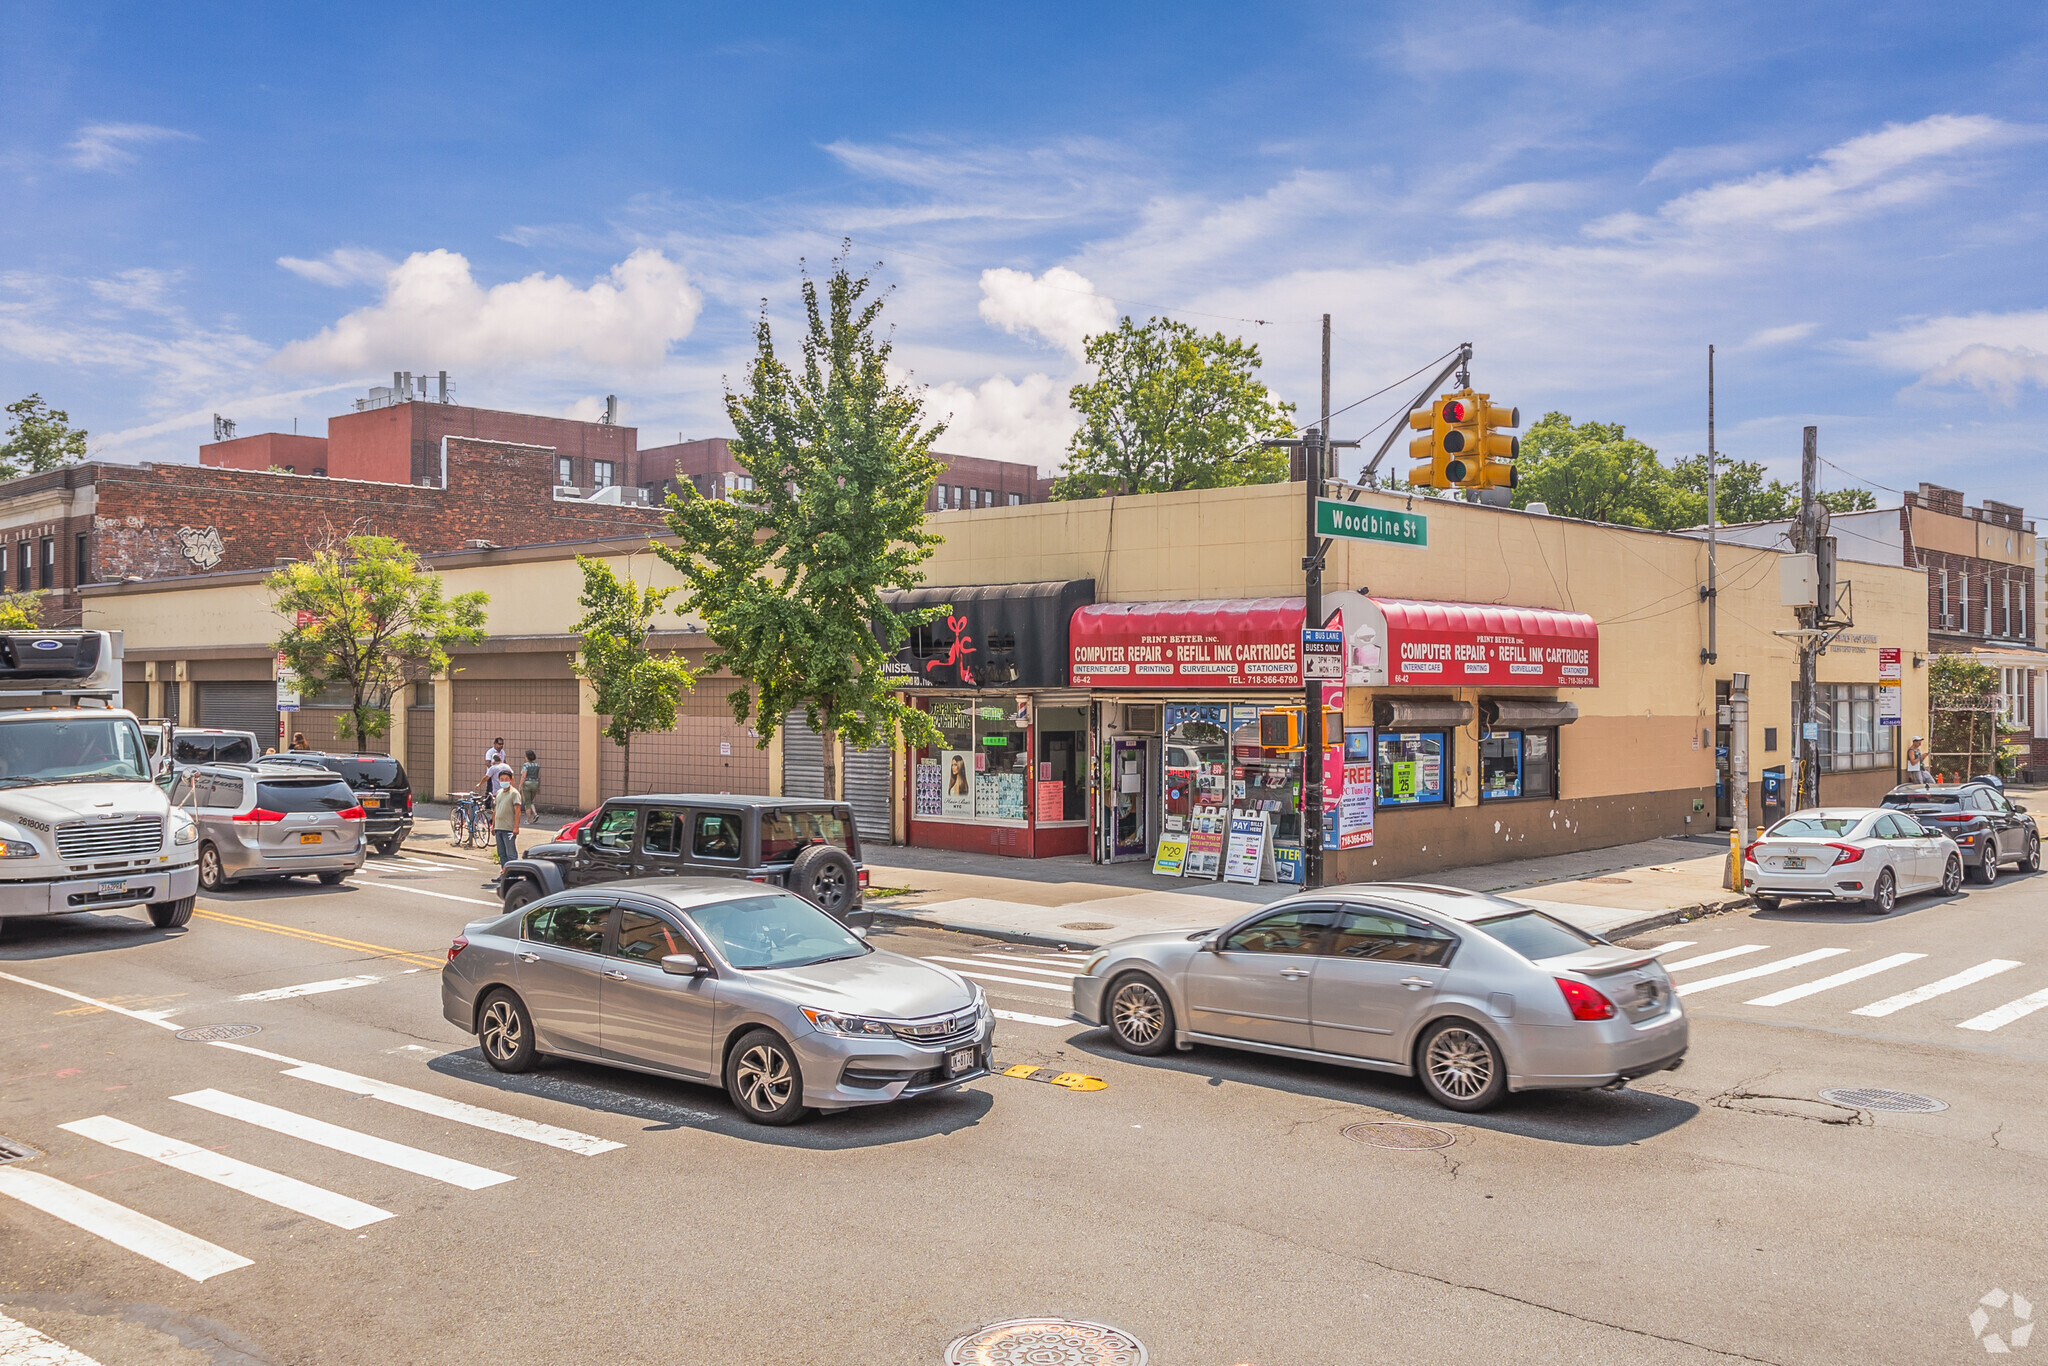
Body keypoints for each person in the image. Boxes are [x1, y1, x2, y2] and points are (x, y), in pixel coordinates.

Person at [492, 777, 522, 866]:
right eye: (501, 779)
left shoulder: (514, 793)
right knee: (502, 853)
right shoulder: (499, 792)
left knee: (511, 854)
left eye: (506, 779)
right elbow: (496, 809)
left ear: (511, 780)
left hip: (508, 828)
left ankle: (513, 874)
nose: (504, 781)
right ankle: (504, 874)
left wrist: (516, 827)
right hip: (498, 827)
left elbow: (518, 811)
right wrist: (493, 825)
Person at [519, 750, 540, 827]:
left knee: (527, 802)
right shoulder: (537, 765)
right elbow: (539, 776)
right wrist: (539, 786)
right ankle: (535, 814)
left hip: (527, 784)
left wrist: (520, 786)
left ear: (527, 757)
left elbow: (523, 776)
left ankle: (528, 820)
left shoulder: (526, 765)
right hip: (535, 783)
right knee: (530, 800)